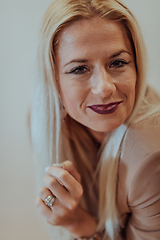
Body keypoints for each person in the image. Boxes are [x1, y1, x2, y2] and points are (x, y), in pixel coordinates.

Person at [30, 0, 160, 239]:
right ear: (54, 82)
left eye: (118, 63)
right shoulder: (43, 122)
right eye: (79, 69)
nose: (104, 88)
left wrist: (77, 223)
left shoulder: (151, 159)